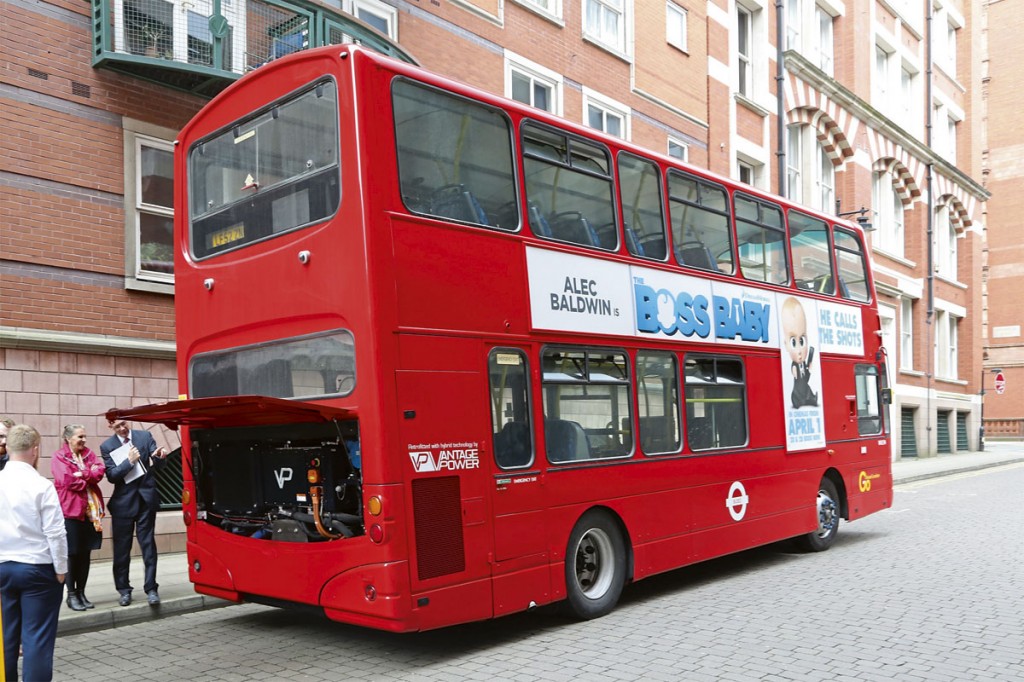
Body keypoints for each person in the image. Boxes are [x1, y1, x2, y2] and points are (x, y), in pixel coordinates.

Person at [0, 424, 68, 682]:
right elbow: (56, 532)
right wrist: (61, 569)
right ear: (35, 450)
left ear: (8, 448)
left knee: (5, 638)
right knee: (37, 640)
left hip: (3, 566)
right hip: (37, 568)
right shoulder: (42, 485)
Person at [100, 419, 168, 607]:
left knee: (148, 547)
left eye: (123, 424)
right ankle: (124, 590)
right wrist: (128, 462)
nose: (122, 429)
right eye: (117, 427)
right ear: (110, 427)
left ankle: (151, 589)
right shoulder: (107, 446)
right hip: (123, 504)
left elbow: (159, 465)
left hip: (146, 500)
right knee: (122, 549)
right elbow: (112, 476)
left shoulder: (144, 436)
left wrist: (160, 457)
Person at [51, 424, 105, 612]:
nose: (83, 440)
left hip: (90, 513)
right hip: (71, 511)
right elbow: (67, 481)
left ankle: (82, 592)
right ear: (68, 438)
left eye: (84, 436)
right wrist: (87, 476)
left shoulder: (89, 454)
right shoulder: (59, 457)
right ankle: (72, 595)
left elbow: (99, 472)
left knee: (85, 554)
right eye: (79, 437)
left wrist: (82, 473)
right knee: (72, 555)